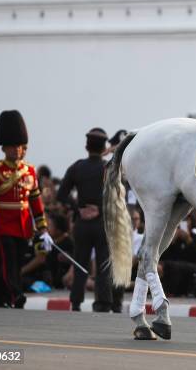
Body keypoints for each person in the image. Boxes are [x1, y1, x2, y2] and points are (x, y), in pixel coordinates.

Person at [0, 110, 50, 308]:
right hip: (2, 223)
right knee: (9, 258)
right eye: (12, 146)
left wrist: (42, 226)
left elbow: (35, 200)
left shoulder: (30, 171)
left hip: (23, 224)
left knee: (3, 261)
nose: (16, 150)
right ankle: (16, 293)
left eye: (19, 146)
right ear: (4, 148)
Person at [57, 128, 122, 312]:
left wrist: (77, 207)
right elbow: (117, 197)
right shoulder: (108, 168)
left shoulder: (77, 167)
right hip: (103, 224)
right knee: (103, 264)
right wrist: (100, 209)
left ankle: (76, 301)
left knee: (80, 263)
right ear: (103, 147)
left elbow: (61, 194)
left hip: (82, 224)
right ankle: (103, 302)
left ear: (86, 146)